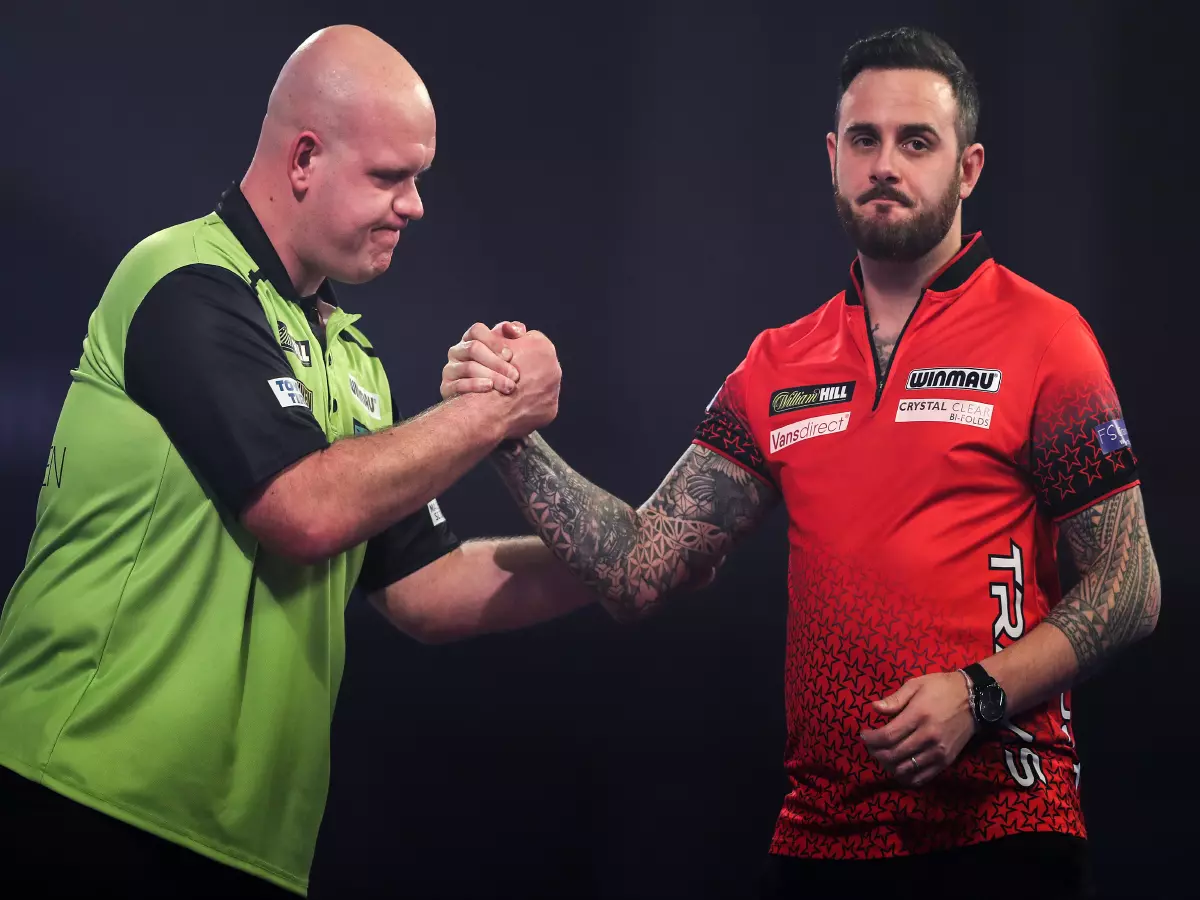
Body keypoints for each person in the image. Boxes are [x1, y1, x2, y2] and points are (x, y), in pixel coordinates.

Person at [442, 26, 1160, 898]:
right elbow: (637, 570)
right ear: (832, 157)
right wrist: (500, 426)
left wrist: (980, 694)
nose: (885, 165)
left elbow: (1130, 585)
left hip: (1004, 832)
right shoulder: (778, 364)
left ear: (968, 169)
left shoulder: (1047, 337)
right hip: (820, 843)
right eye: (864, 140)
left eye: (916, 142)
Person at [0, 25, 604, 898]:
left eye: (419, 179)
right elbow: (305, 512)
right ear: (305, 158)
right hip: (78, 796)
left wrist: (619, 561)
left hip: (247, 844)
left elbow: (427, 590)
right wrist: (495, 409)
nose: (414, 206)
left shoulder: (352, 359)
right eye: (390, 177)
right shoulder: (182, 281)